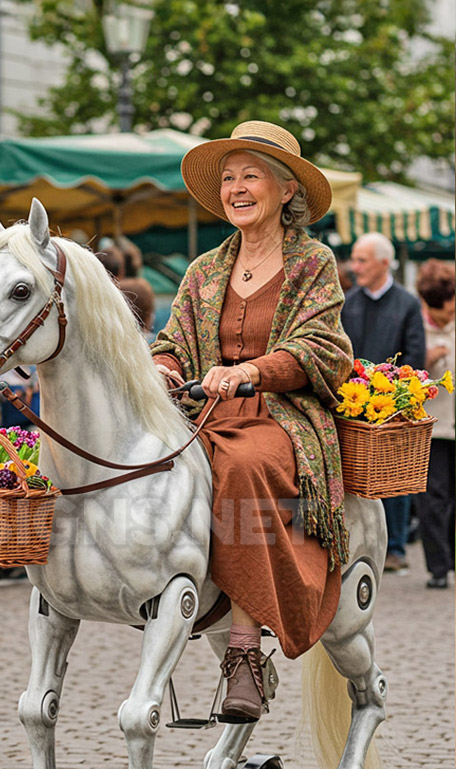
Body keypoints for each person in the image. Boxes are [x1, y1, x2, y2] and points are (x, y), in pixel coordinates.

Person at [151, 120, 352, 723]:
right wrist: (161, 369)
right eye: (230, 178)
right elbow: (172, 342)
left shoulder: (314, 262)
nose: (237, 188)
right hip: (204, 410)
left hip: (283, 417)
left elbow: (326, 349)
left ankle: (243, 654)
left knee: (239, 464)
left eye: (252, 177)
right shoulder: (204, 270)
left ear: (286, 190)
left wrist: (252, 372)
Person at [341, 233, 426, 572]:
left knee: (395, 480)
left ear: (384, 262)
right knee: (357, 479)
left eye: (362, 260)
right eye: (354, 259)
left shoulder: (407, 303)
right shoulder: (349, 301)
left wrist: (400, 395)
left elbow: (415, 353)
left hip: (393, 407)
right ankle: (361, 543)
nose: (354, 267)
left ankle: (396, 548)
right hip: (354, 404)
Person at [415, 260, 455, 588]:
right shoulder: (416, 327)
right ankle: (438, 568)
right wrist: (424, 362)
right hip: (433, 427)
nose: (448, 316)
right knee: (433, 499)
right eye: (441, 311)